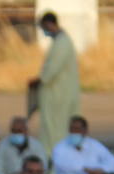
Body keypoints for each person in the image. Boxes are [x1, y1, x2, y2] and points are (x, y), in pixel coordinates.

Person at [30, 12, 80, 153]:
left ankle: (52, 156)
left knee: (55, 129)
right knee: (51, 128)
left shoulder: (62, 42)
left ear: (49, 24)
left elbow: (52, 69)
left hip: (58, 95)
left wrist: (40, 79)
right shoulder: (59, 41)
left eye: (44, 28)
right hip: (55, 93)